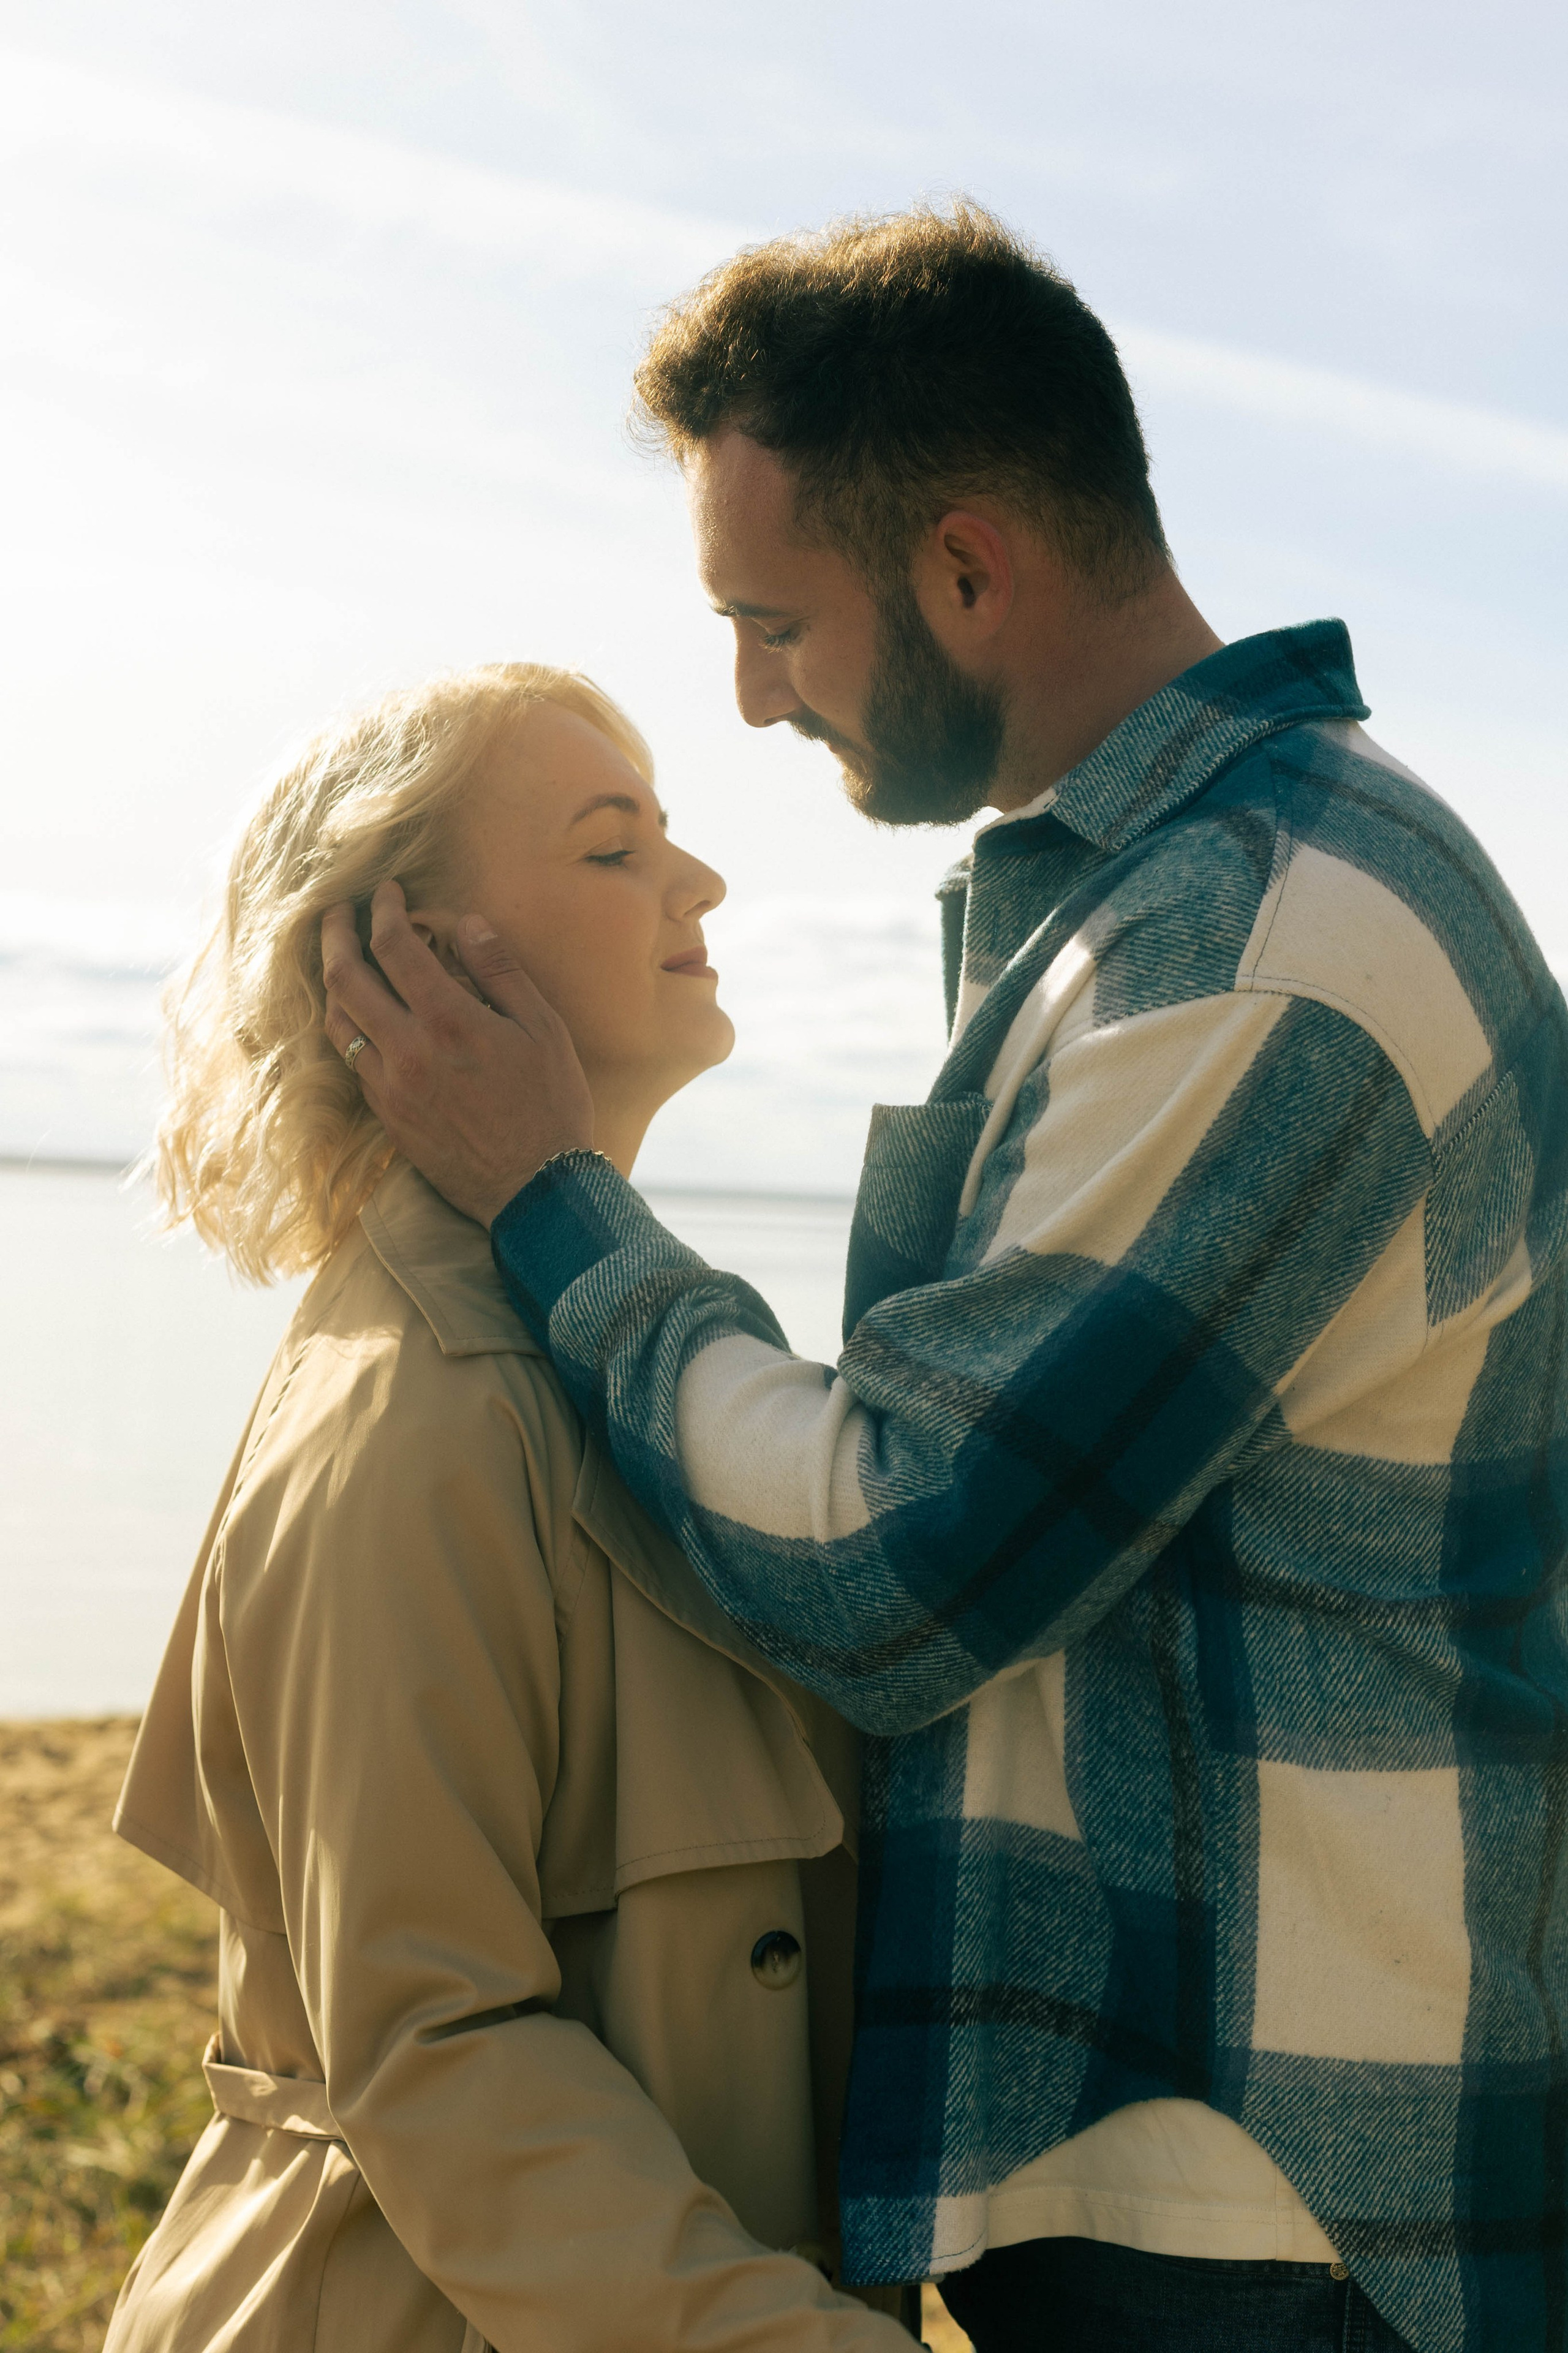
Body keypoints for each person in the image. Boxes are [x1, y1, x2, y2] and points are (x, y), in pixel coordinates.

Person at [319, 206, 1568, 2353]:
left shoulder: (1263, 947)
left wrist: (548, 1200)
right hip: (1214, 2173)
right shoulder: (1169, 907)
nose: (750, 696)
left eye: (772, 620)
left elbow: (900, 1548)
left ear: (969, 570)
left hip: (1275, 2207)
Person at [104, 662, 916, 2353]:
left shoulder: (591, 1341)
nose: (698, 883)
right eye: (616, 850)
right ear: (406, 960)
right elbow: (439, 2052)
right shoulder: (427, 1404)